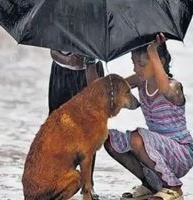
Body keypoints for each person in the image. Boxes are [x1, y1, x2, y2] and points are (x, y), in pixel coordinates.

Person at [104, 33, 193, 200]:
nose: (136, 69)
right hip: (154, 150)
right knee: (106, 138)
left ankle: (172, 187)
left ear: (160, 62)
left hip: (180, 152)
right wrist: (90, 63)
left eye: (142, 64)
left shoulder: (174, 87)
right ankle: (151, 184)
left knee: (137, 137)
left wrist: (152, 50)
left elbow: (165, 89)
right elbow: (110, 89)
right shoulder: (140, 81)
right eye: (134, 63)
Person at [49, 50, 104, 199]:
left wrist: (89, 61)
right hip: (61, 72)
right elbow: (53, 50)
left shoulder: (99, 26)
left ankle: (88, 184)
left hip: (91, 72)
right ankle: (61, 180)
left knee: (91, 131)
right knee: (58, 130)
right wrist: (67, 61)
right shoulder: (58, 25)